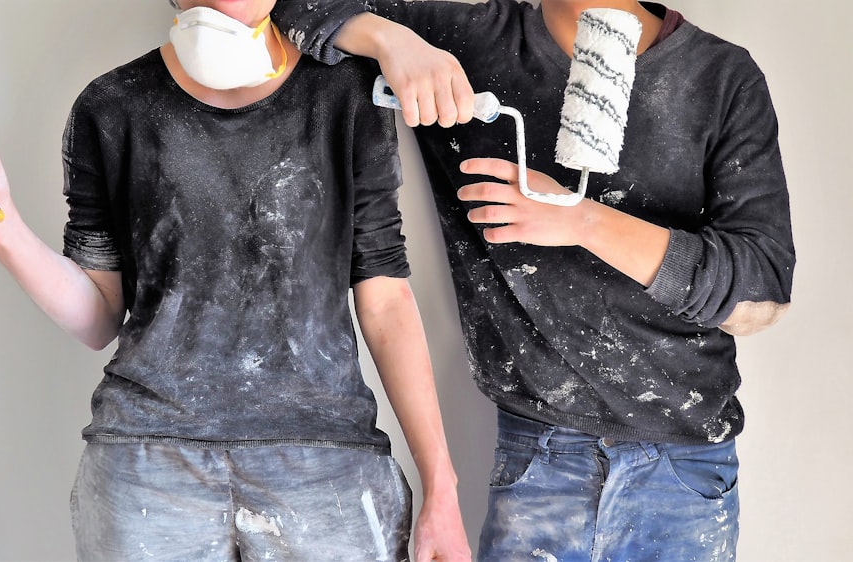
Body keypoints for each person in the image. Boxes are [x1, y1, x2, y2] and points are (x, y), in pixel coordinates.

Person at [0, 0, 472, 560]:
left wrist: (443, 488)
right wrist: (2, 229)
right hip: (146, 461)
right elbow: (97, 319)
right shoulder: (111, 106)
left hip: (325, 461)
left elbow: (386, 300)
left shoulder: (347, 94)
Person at [271, 0, 796, 560]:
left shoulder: (722, 76)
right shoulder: (468, 43)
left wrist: (582, 220)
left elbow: (759, 293)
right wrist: (387, 40)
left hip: (686, 468)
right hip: (540, 456)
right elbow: (279, 6)